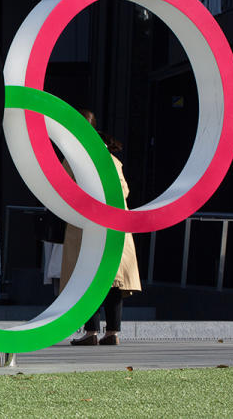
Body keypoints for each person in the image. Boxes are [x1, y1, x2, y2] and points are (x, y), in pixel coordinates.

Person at [61, 109, 141, 346]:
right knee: (113, 280)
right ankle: (112, 332)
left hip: (88, 226)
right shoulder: (112, 159)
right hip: (115, 225)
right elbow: (124, 191)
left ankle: (91, 332)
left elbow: (64, 190)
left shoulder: (74, 158)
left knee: (87, 278)